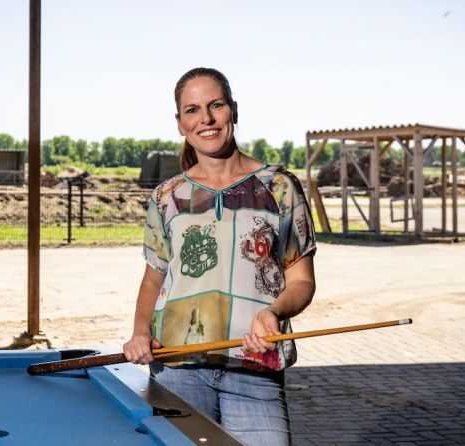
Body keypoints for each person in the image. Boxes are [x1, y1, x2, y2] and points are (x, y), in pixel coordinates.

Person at [123, 67, 317, 445]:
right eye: (192, 110)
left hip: (254, 368)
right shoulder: (166, 196)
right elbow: (153, 279)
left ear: (234, 110)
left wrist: (274, 312)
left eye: (216, 105)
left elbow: (302, 280)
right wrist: (140, 333)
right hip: (176, 368)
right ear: (180, 123)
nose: (206, 119)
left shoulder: (280, 187)